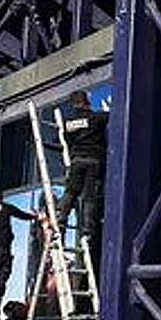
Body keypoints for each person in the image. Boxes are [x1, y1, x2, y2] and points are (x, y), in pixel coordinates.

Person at [55, 90, 109, 248]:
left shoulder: (68, 123)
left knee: (71, 191)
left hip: (77, 160)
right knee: (90, 197)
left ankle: (60, 217)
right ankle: (87, 231)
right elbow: (113, 114)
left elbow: (66, 140)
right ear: (86, 101)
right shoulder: (96, 117)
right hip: (94, 160)